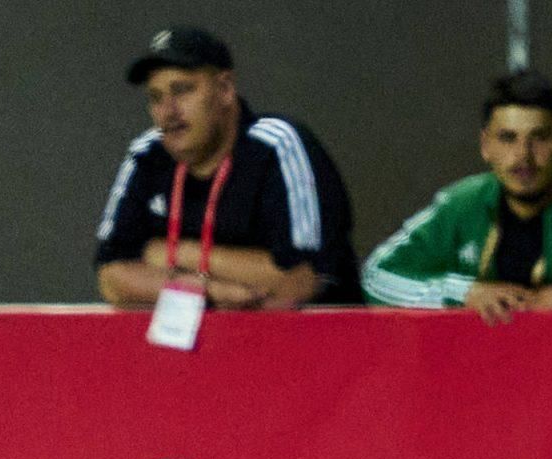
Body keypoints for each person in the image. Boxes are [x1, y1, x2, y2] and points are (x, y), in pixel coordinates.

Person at [94, 26, 359, 309]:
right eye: (156, 98)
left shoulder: (276, 145)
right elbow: (111, 278)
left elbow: (296, 280)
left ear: (225, 89)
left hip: (312, 346)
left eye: (182, 90)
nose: (168, 112)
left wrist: (177, 254)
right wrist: (210, 290)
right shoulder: (147, 154)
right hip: (202, 348)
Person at [365, 71, 552, 319]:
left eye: (540, 138)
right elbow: (376, 277)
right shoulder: (461, 204)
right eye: (507, 138)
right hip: (478, 356)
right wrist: (463, 293)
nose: (524, 155)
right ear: (485, 146)